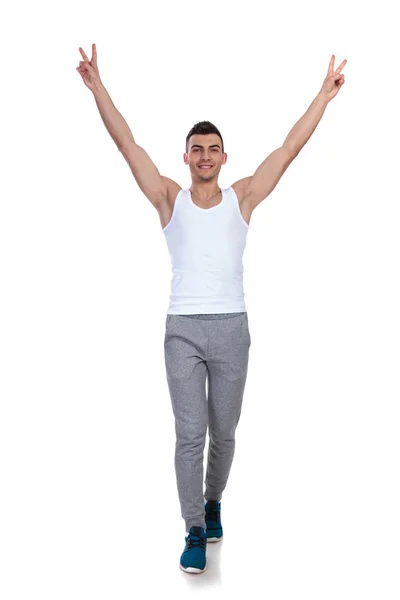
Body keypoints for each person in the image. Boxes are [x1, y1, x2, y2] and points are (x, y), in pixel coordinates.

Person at [76, 44, 347, 574]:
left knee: (224, 433)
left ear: (224, 157)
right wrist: (97, 88)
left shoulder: (242, 199)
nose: (204, 156)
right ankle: (194, 527)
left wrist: (323, 96)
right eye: (196, 148)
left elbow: (288, 150)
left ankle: (214, 499)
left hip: (232, 330)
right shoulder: (167, 198)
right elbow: (126, 142)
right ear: (186, 157)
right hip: (182, 330)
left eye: (213, 148)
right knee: (189, 433)